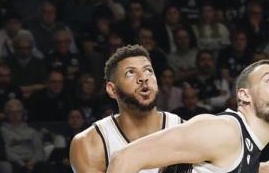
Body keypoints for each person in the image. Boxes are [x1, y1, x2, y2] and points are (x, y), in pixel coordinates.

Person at [105, 59, 269, 173]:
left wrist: (266, 170)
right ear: (244, 95)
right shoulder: (223, 131)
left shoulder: (244, 145)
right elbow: (124, 158)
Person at [69, 45, 184, 173]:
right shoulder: (90, 143)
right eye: (130, 72)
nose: (143, 78)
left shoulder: (186, 130)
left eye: (148, 71)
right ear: (112, 90)